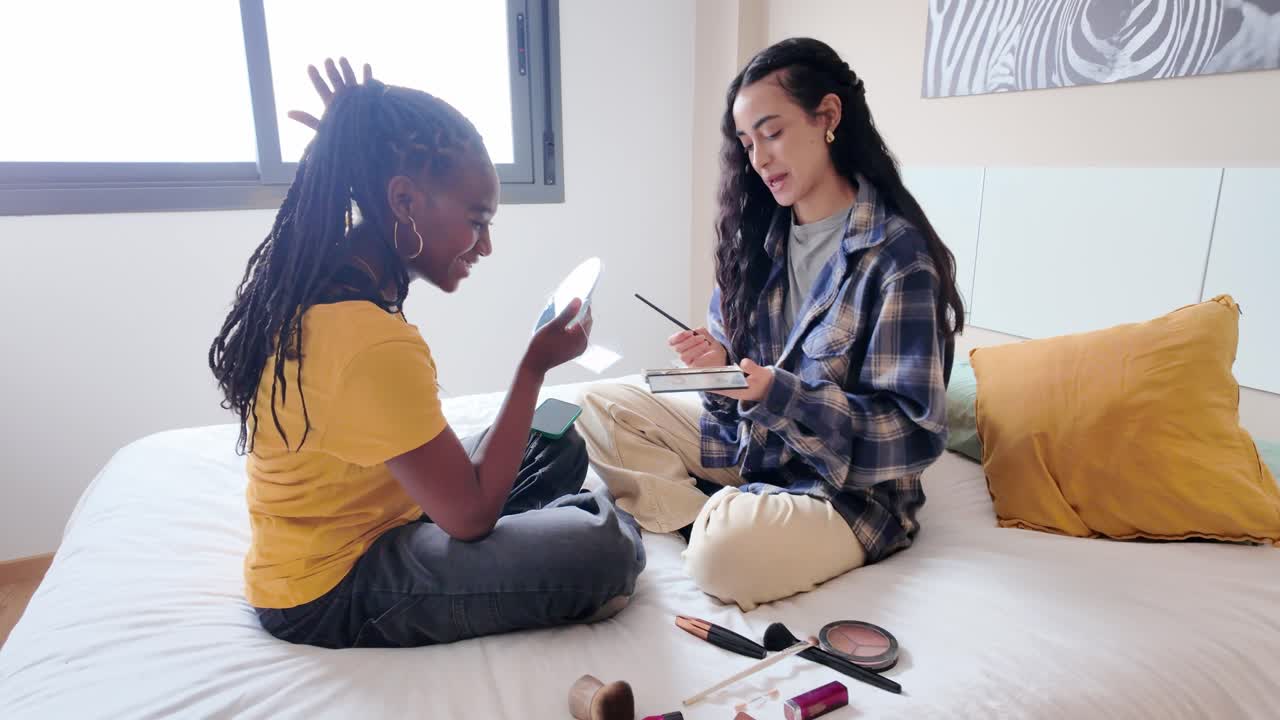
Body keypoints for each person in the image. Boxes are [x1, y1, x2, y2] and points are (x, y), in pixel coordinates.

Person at [209, 59, 644, 649]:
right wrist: (533, 366)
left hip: (378, 507)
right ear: (405, 200)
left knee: (555, 443)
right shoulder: (367, 340)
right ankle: (580, 528)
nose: (485, 245)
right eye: (477, 220)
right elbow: (469, 519)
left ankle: (557, 519)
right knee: (605, 550)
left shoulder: (332, 278)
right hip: (328, 587)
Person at [578, 38, 964, 612]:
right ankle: (709, 518)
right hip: (756, 451)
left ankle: (718, 524)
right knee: (599, 405)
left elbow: (910, 436)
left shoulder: (895, 256)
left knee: (723, 559)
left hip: (845, 492)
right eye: (746, 141)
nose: (758, 158)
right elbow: (735, 396)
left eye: (772, 131)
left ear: (827, 117)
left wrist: (779, 393)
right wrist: (718, 374)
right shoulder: (756, 242)